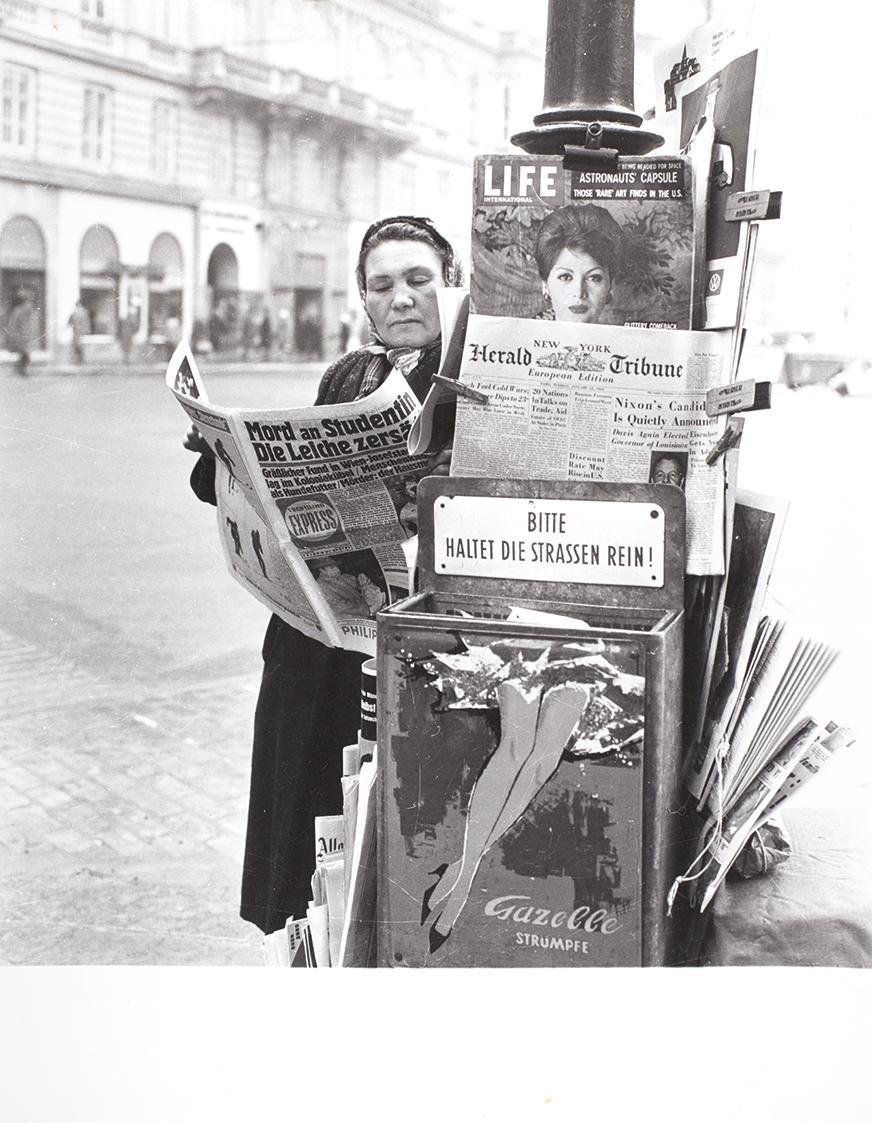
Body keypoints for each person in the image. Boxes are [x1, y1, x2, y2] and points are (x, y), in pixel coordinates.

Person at [184, 215, 463, 934]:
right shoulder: (348, 373)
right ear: (364, 301)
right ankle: (302, 938)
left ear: (451, 284)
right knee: (305, 834)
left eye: (418, 280)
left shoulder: (470, 378)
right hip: (316, 640)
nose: (401, 298)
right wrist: (222, 458)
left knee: (390, 833)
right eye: (382, 285)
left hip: (410, 643)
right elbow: (285, 496)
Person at [533, 205, 624, 324]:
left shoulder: (626, 341)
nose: (579, 292)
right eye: (565, 277)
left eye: (593, 277)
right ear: (545, 285)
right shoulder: (519, 338)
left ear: (610, 286)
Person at [4, 289, 38, 376]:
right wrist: (15, 335)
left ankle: (21, 369)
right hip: (21, 336)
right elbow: (13, 324)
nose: (29, 304)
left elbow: (31, 323)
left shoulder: (25, 311)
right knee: (25, 353)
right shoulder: (18, 311)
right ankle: (22, 370)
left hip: (25, 336)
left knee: (25, 353)